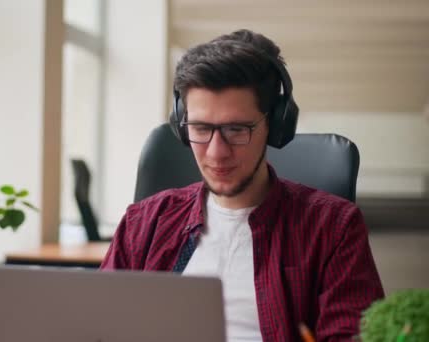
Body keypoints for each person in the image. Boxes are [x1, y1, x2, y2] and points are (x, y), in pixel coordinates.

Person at [101, 29, 384, 341]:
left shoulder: (333, 227)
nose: (216, 152)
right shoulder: (142, 223)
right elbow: (96, 327)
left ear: (275, 124)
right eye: (200, 128)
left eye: (237, 129)